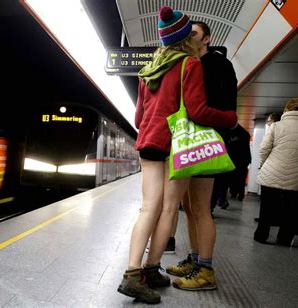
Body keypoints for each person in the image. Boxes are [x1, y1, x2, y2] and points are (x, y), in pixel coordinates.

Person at [117, 7, 237, 304]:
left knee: (148, 209)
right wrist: (228, 119)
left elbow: (138, 117)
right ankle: (148, 269)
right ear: (185, 37)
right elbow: (196, 111)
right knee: (168, 209)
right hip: (174, 144)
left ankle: (135, 274)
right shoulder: (189, 65)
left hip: (148, 142)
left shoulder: (148, 69)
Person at [166, 20, 238, 291]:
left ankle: (206, 270)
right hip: (186, 143)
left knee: (201, 209)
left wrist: (227, 121)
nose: (190, 38)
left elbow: (225, 105)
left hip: (205, 143)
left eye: (194, 34)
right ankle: (195, 260)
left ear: (207, 39)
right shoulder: (187, 64)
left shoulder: (219, 65)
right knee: (190, 209)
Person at [253, 98, 298, 246]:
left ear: (287, 110)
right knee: (290, 210)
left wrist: (263, 164)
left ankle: (261, 236)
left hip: (271, 172)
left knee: (267, 207)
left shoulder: (276, 126)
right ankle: (284, 239)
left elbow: (264, 148)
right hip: (295, 175)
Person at [254, 113, 281, 222]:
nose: (268, 123)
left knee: (267, 198)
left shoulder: (274, 129)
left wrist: (262, 163)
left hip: (271, 168)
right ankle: (274, 219)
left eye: (269, 121)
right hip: (285, 172)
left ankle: (265, 222)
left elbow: (264, 149)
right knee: (276, 198)